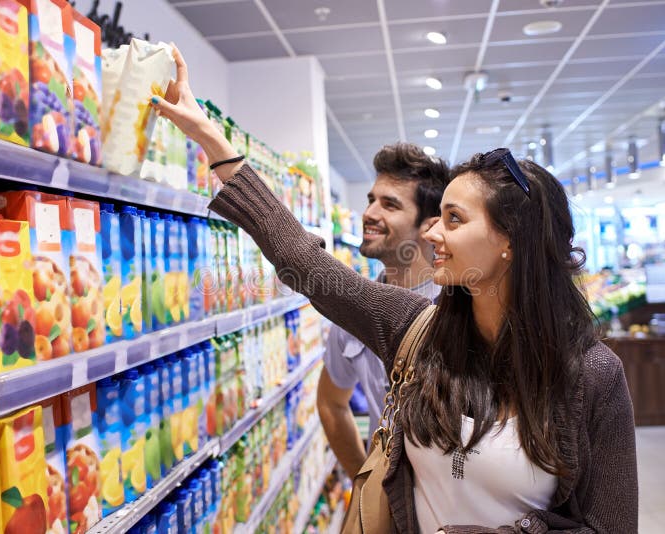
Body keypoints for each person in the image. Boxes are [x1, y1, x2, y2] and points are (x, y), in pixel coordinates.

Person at [153, 46, 637, 533]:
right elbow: (303, 261)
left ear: (510, 239)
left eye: (453, 219)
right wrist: (212, 141)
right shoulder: (415, 328)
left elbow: (611, 527)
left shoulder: (592, 377)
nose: (431, 234)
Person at [318, 143, 448, 480]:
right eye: (371, 200)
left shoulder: (458, 310)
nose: (369, 213)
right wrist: (365, 484)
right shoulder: (354, 311)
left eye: (389, 204)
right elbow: (331, 403)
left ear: (429, 226)